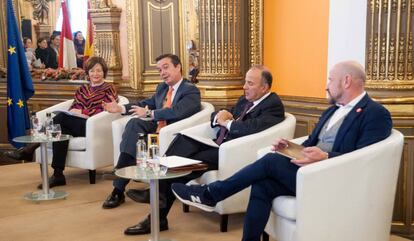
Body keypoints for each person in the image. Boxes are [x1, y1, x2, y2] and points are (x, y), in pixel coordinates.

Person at [171, 60, 393, 241]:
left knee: (270, 161)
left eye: (330, 80)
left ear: (346, 81)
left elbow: (366, 161)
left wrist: (326, 157)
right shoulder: (331, 111)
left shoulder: (375, 113)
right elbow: (311, 145)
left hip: (333, 178)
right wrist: (290, 148)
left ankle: (212, 193)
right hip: (310, 172)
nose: (326, 85)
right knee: (262, 184)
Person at [122, 65, 286, 235]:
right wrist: (219, 118)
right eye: (245, 82)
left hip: (233, 153)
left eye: (250, 83)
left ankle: (156, 203)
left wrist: (226, 122)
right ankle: (157, 192)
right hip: (219, 144)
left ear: (264, 87)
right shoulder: (245, 100)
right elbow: (219, 115)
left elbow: (249, 128)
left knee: (187, 164)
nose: (244, 87)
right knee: (183, 139)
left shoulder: (273, 105)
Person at [101, 53, 201, 211]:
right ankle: (119, 181)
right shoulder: (162, 88)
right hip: (156, 129)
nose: (162, 73)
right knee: (134, 123)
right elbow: (146, 103)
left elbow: (177, 112)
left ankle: (117, 188)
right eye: (159, 70)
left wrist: (150, 114)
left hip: (172, 134)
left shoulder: (191, 90)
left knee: (139, 137)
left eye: (166, 67)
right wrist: (120, 108)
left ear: (178, 67)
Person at [4, 57, 118, 188]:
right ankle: (58, 175)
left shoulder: (109, 88)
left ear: (104, 72)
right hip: (76, 124)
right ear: (88, 73)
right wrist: (75, 111)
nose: (95, 74)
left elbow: (108, 109)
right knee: (60, 129)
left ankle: (29, 149)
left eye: (99, 71)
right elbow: (74, 107)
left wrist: (85, 114)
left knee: (60, 119)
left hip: (94, 126)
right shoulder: (82, 89)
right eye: (92, 71)